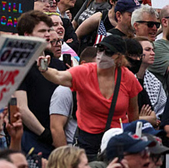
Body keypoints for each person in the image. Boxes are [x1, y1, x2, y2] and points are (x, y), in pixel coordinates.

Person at [38, 34, 141, 159]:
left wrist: (134, 141)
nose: (102, 54)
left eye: (108, 52)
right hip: (88, 143)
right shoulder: (84, 71)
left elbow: (133, 113)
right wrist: (44, 69)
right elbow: (59, 76)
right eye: (100, 49)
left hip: (116, 142)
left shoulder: (128, 78)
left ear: (119, 57)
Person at [14, 11, 64, 158]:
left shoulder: (59, 65)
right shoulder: (18, 66)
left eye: (49, 30)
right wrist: (45, 134)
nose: (48, 34)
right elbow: (22, 108)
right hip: (33, 140)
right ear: (27, 35)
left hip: (59, 138)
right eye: (42, 31)